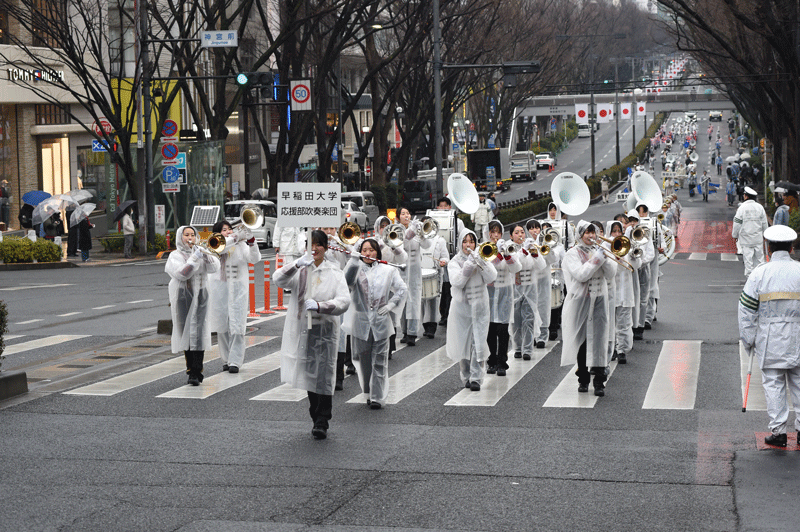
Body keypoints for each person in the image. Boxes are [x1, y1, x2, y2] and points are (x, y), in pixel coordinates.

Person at [273, 230, 350, 440]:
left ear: (325, 248)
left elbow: (344, 301)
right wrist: (296, 264)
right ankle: (315, 414)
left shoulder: (334, 272)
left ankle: (322, 420)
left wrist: (321, 306)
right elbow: (278, 279)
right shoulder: (300, 270)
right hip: (302, 330)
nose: (314, 249)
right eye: (311, 244)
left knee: (324, 375)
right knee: (309, 374)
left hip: (325, 330)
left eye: (318, 245)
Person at [738, 225, 800, 447]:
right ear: (791, 248)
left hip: (769, 338)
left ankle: (778, 432)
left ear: (768, 247)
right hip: (798, 336)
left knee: (773, 384)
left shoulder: (759, 273)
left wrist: (748, 339)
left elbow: (746, 310)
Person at [343, 238, 407, 409]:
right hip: (361, 321)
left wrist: (391, 305)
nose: (368, 253)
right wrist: (353, 261)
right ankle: (368, 392)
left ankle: (377, 397)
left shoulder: (388, 270)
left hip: (381, 320)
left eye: (371, 250)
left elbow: (402, 289)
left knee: (380, 360)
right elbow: (346, 283)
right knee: (364, 360)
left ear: (377, 252)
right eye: (364, 250)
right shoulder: (355, 268)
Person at [561, 221, 616, 396]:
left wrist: (605, 256)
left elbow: (611, 274)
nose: (591, 236)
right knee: (583, 341)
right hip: (581, 300)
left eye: (594, 232)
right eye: (587, 233)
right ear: (580, 235)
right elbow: (581, 275)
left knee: (600, 339)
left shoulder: (600, 250)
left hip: (600, 299)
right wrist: (597, 258)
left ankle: (599, 381)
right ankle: (583, 379)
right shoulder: (572, 253)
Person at [165, 226, 220, 386]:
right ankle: (190, 369)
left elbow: (214, 268)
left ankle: (197, 370)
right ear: (180, 237)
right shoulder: (175, 256)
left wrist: (206, 255)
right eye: (186, 235)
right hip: (183, 296)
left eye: (192, 235)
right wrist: (194, 258)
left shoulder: (200, 252)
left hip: (202, 294)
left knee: (199, 332)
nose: (190, 238)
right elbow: (182, 274)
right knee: (186, 332)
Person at [446, 228, 497, 390]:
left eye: (472, 241)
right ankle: (466, 375)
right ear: (460, 243)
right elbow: (457, 282)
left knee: (479, 342)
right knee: (464, 343)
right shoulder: (454, 262)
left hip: (480, 307)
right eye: (465, 241)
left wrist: (482, 263)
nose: (468, 245)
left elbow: (491, 277)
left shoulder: (481, 257)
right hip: (461, 309)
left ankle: (476, 377)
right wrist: (468, 265)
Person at [208, 220, 261, 373]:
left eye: (230, 229)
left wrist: (251, 241)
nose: (228, 232)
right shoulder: (214, 243)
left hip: (238, 289)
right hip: (219, 289)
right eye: (224, 230)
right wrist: (236, 237)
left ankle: (235, 361)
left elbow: (254, 258)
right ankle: (225, 359)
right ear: (217, 233)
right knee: (222, 326)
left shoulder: (240, 245)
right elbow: (220, 249)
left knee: (238, 325)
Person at [484, 220, 522, 376]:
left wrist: (506, 254)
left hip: (505, 293)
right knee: (490, 329)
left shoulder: (507, 247)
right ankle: (491, 361)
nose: (495, 235)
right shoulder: (483, 248)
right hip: (489, 293)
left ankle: (502, 362)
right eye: (492, 232)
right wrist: (497, 254)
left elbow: (517, 268)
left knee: (503, 329)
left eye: (498, 232)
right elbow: (487, 268)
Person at [510, 223, 546, 360]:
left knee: (529, 320)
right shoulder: (509, 247)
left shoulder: (531, 247)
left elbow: (541, 266)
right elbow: (516, 264)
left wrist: (535, 254)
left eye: (522, 232)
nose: (520, 235)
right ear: (511, 236)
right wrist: (524, 251)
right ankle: (517, 348)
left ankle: (527, 350)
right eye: (517, 232)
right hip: (515, 288)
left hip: (530, 288)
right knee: (516, 321)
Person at [436, 197, 464, 327]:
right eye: (440, 206)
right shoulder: (434, 221)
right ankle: (444, 314)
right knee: (444, 287)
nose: (443, 208)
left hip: (454, 257)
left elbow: (462, 238)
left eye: (445, 206)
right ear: (437, 208)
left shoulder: (458, 222)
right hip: (440, 259)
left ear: (450, 207)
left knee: (452, 286)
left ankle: (452, 314)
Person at [733, 187, 770, 277]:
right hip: (757, 239)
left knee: (748, 262)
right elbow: (764, 223)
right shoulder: (760, 207)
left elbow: (737, 223)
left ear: (746, 196)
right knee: (759, 261)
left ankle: (750, 280)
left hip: (746, 240)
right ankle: (759, 278)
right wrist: (765, 235)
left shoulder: (742, 208)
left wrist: (735, 235)